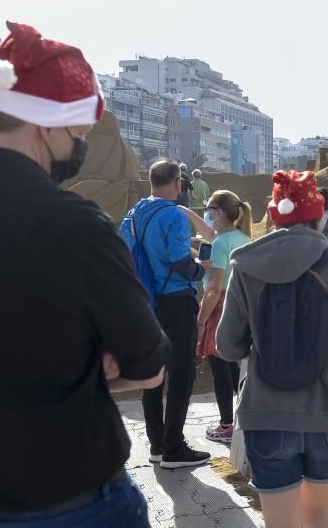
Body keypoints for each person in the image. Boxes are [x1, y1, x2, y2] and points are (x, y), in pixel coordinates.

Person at [0, 22, 168, 527]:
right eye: (80, 134)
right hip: (78, 508)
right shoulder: (77, 228)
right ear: (47, 126)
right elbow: (150, 365)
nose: (80, 149)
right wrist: (86, 370)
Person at [216, 170, 328, 528]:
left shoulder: (245, 265)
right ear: (319, 215)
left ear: (273, 215)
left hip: (266, 412)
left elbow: (227, 345)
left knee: (281, 522)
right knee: (318, 513)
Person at [120, 159, 211, 469]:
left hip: (145, 304)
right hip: (175, 300)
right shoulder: (172, 214)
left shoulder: (132, 215)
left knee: (152, 376)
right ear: (176, 183)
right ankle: (174, 448)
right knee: (181, 374)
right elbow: (179, 261)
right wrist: (201, 270)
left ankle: (157, 445)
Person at [181, 191, 251, 443]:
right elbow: (209, 233)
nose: (206, 214)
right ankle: (242, 420)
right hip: (240, 305)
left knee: (220, 369)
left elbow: (213, 288)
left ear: (218, 212)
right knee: (233, 368)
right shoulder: (240, 236)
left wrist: (200, 322)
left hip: (219, 306)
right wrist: (186, 212)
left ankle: (226, 425)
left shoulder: (221, 243)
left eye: (208, 208)